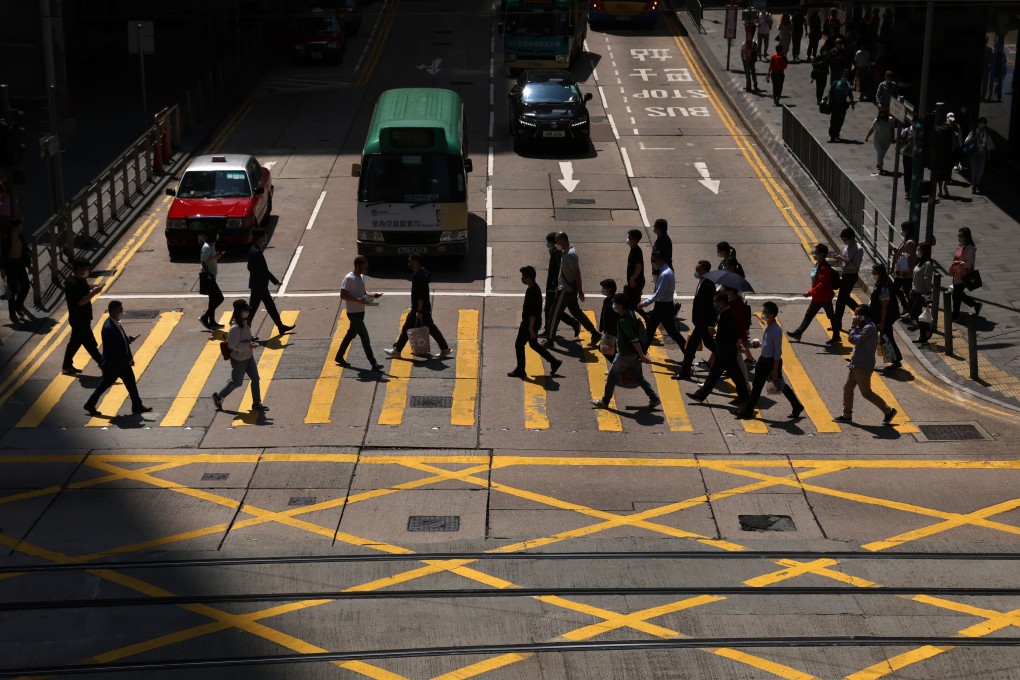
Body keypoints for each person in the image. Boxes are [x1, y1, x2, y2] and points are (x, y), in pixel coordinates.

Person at [736, 301, 804, 420]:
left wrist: (774, 370)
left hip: (771, 362)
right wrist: (755, 345)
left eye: (765, 312)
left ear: (772, 315)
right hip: (763, 360)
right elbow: (767, 344)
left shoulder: (776, 331)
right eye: (763, 312)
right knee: (764, 386)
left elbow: (778, 353)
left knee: (774, 386)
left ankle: (748, 411)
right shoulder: (768, 325)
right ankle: (797, 406)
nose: (763, 314)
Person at [592, 293, 660, 410]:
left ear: (620, 306)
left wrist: (642, 355)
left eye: (615, 304)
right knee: (638, 376)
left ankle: (604, 402)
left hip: (625, 354)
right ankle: (654, 398)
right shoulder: (630, 313)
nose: (613, 306)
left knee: (612, 375)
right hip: (632, 354)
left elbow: (634, 339)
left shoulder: (623, 321)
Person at [83, 300, 151, 416]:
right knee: (105, 384)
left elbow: (119, 341)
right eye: (120, 309)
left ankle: (137, 405)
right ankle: (90, 404)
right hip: (114, 364)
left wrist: (128, 339)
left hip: (120, 363)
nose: (122, 311)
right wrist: (128, 360)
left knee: (130, 383)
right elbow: (116, 349)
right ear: (114, 310)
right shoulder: (109, 327)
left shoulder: (115, 322)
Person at [833, 304, 897, 425]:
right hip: (856, 364)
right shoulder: (862, 326)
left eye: (857, 314)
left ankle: (888, 411)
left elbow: (854, 340)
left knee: (866, 393)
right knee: (848, 388)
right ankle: (847, 415)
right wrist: (855, 327)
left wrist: (853, 327)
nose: (855, 316)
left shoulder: (869, 328)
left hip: (863, 366)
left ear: (863, 316)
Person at [687, 292, 749, 406]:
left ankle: (701, 395)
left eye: (716, 301)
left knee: (725, 374)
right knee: (728, 374)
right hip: (726, 349)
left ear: (721, 302)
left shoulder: (727, 315)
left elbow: (729, 333)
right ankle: (744, 396)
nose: (714, 304)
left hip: (726, 350)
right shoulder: (725, 313)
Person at [386, 254, 452, 359]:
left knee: (406, 328)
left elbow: (420, 295)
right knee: (431, 328)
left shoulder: (418, 276)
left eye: (410, 261)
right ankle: (445, 348)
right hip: (424, 308)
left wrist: (419, 311)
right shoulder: (423, 272)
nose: (409, 263)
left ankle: (397, 351)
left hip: (419, 308)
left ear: (416, 261)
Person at [544, 232, 600, 346]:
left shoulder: (570, 254)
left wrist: (580, 290)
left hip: (565, 290)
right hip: (567, 289)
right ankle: (595, 333)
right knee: (577, 313)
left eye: (557, 241)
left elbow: (577, 273)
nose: (555, 244)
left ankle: (550, 340)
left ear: (564, 240)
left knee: (554, 314)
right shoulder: (566, 252)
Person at [211, 299, 267, 412]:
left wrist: (249, 343)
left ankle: (256, 403)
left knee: (255, 379)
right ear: (240, 312)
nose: (248, 313)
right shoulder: (235, 328)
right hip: (239, 359)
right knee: (236, 383)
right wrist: (248, 345)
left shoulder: (245, 323)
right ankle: (219, 397)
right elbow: (232, 346)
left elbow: (245, 339)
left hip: (248, 356)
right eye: (245, 311)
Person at [509, 266, 562, 379]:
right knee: (533, 344)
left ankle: (520, 370)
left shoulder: (533, 291)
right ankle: (554, 361)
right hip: (532, 323)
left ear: (529, 278)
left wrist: (531, 329)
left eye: (523, 277)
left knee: (519, 344)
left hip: (529, 324)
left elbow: (532, 313)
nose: (522, 279)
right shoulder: (534, 288)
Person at [336, 256, 384, 370]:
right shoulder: (349, 278)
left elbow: (363, 292)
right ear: (358, 266)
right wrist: (358, 300)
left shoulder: (361, 277)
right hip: (353, 313)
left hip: (361, 311)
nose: (366, 268)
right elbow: (343, 295)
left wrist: (372, 294)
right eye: (364, 266)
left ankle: (338, 356)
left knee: (351, 334)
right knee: (364, 336)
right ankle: (373, 363)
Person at [787, 243, 839, 344]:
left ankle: (836, 336)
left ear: (822, 254)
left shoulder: (824, 268)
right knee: (809, 315)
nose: (814, 254)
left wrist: (810, 292)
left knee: (830, 316)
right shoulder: (818, 264)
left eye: (816, 253)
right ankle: (798, 333)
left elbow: (822, 284)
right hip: (818, 296)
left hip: (823, 296)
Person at [674, 260, 717, 380]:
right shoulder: (703, 281)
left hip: (703, 323)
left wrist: (710, 325)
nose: (696, 272)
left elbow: (709, 306)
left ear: (705, 271)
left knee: (691, 346)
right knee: (709, 344)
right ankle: (728, 361)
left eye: (698, 270)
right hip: (700, 322)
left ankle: (685, 372)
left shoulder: (708, 285)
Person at [247, 229, 294, 336]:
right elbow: (264, 270)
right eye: (264, 236)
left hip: (259, 285)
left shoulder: (253, 249)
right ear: (259, 238)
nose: (265, 238)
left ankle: (281, 327)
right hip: (259, 286)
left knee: (270, 306)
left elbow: (250, 267)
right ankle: (245, 334)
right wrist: (276, 281)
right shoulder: (257, 252)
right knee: (252, 311)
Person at [637, 251, 687, 353]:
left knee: (672, 332)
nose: (652, 263)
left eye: (654, 260)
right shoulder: (665, 271)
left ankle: (688, 352)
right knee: (650, 329)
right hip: (661, 306)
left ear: (661, 260)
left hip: (664, 307)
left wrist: (644, 303)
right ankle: (642, 353)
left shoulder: (665, 274)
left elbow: (659, 293)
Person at [61, 259, 104, 374]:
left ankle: (66, 366)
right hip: (79, 319)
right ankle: (104, 365)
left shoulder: (80, 279)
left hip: (83, 317)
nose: (87, 271)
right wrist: (94, 293)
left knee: (75, 343)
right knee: (90, 344)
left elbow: (84, 293)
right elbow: (80, 302)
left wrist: (92, 291)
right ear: (79, 269)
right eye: (86, 269)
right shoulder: (72, 283)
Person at [542, 231, 579, 337]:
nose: (548, 245)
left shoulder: (558, 254)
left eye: (549, 242)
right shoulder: (553, 252)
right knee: (550, 309)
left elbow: (559, 270)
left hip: (554, 285)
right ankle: (548, 329)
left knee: (552, 309)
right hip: (551, 284)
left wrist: (555, 284)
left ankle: (572, 323)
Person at [869, 263, 902, 371]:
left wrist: (882, 322)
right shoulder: (880, 283)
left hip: (884, 317)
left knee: (887, 338)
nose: (871, 274)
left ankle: (896, 361)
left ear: (879, 273)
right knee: (886, 338)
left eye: (873, 272)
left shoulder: (884, 287)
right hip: (880, 317)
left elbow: (884, 306)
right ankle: (895, 360)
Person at [1, 218, 32, 323]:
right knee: (12, 290)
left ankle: (18, 306)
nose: (21, 228)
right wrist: (2, 268)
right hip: (10, 265)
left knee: (26, 286)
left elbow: (24, 252)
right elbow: (2, 254)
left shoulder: (20, 236)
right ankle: (12, 314)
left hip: (19, 263)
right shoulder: (5, 238)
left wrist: (29, 265)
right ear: (14, 227)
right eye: (19, 226)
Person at [949, 227, 981, 320]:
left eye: (960, 236)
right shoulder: (961, 245)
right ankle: (974, 306)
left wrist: (960, 263)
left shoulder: (969, 249)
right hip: (957, 274)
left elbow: (970, 264)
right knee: (956, 294)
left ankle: (956, 314)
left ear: (966, 237)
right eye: (958, 235)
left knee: (956, 294)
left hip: (963, 276)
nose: (958, 237)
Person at [832, 227, 861, 330]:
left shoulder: (858, 249)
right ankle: (862, 313)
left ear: (851, 238)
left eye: (845, 240)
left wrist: (843, 259)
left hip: (852, 275)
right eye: (843, 240)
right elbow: (841, 257)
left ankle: (837, 325)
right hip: (844, 275)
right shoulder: (845, 245)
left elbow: (855, 266)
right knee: (844, 299)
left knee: (841, 300)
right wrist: (838, 258)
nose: (844, 242)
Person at [199, 231, 225, 330]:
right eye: (216, 234)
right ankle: (205, 317)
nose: (218, 236)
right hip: (208, 277)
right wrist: (215, 257)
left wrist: (217, 257)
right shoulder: (206, 247)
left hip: (212, 276)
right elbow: (204, 262)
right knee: (219, 298)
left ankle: (212, 322)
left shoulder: (211, 245)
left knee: (213, 299)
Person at [910, 244, 934, 345]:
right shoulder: (919, 262)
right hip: (915, 292)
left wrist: (928, 291)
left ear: (924, 251)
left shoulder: (927, 264)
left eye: (919, 250)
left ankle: (925, 333)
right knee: (915, 314)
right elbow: (915, 277)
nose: (917, 251)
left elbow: (927, 279)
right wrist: (912, 289)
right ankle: (925, 332)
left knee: (915, 314)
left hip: (922, 294)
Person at [890, 225, 917, 312]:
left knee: (906, 291)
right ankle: (907, 307)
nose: (901, 231)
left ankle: (910, 309)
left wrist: (899, 254)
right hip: (901, 272)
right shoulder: (906, 241)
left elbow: (911, 257)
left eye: (903, 229)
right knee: (897, 289)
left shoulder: (910, 242)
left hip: (906, 273)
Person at [964, 117, 994, 194]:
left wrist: (989, 156)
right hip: (974, 153)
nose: (982, 124)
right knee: (974, 169)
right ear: (978, 124)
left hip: (983, 153)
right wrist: (974, 139)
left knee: (981, 170)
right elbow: (966, 142)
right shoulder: (974, 132)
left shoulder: (986, 133)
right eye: (981, 122)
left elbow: (989, 146)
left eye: (984, 123)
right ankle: (974, 184)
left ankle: (978, 183)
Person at [937, 113, 961, 198]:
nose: (951, 124)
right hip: (942, 156)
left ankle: (944, 186)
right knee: (940, 174)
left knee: (947, 174)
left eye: (953, 123)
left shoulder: (955, 134)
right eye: (950, 122)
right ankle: (940, 190)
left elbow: (956, 146)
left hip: (950, 156)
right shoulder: (942, 131)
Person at [828, 70, 855, 142]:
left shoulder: (848, 87)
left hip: (842, 106)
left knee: (840, 121)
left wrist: (852, 104)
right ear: (841, 77)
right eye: (844, 76)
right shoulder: (836, 83)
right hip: (835, 105)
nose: (845, 78)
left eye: (846, 77)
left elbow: (851, 96)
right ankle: (832, 134)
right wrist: (828, 101)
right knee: (833, 120)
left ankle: (837, 134)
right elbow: (830, 92)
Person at [865, 108, 894, 174]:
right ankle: (881, 169)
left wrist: (892, 138)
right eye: (881, 116)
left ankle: (879, 163)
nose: (882, 118)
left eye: (883, 117)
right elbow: (872, 130)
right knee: (880, 152)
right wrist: (867, 137)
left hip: (887, 140)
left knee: (882, 154)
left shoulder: (890, 120)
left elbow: (892, 130)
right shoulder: (876, 121)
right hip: (878, 140)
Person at [624, 229, 646, 315]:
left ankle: (647, 320)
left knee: (633, 305)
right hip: (637, 282)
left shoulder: (635, 252)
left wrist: (632, 280)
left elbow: (638, 267)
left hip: (636, 283)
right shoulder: (635, 249)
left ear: (634, 240)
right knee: (632, 304)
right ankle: (633, 320)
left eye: (629, 238)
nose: (628, 239)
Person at [597, 278, 619, 361]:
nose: (602, 290)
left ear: (610, 289)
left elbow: (614, 318)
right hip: (608, 331)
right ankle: (617, 367)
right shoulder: (607, 300)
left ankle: (617, 368)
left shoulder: (613, 302)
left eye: (604, 287)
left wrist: (609, 332)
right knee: (611, 350)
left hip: (612, 331)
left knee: (604, 349)